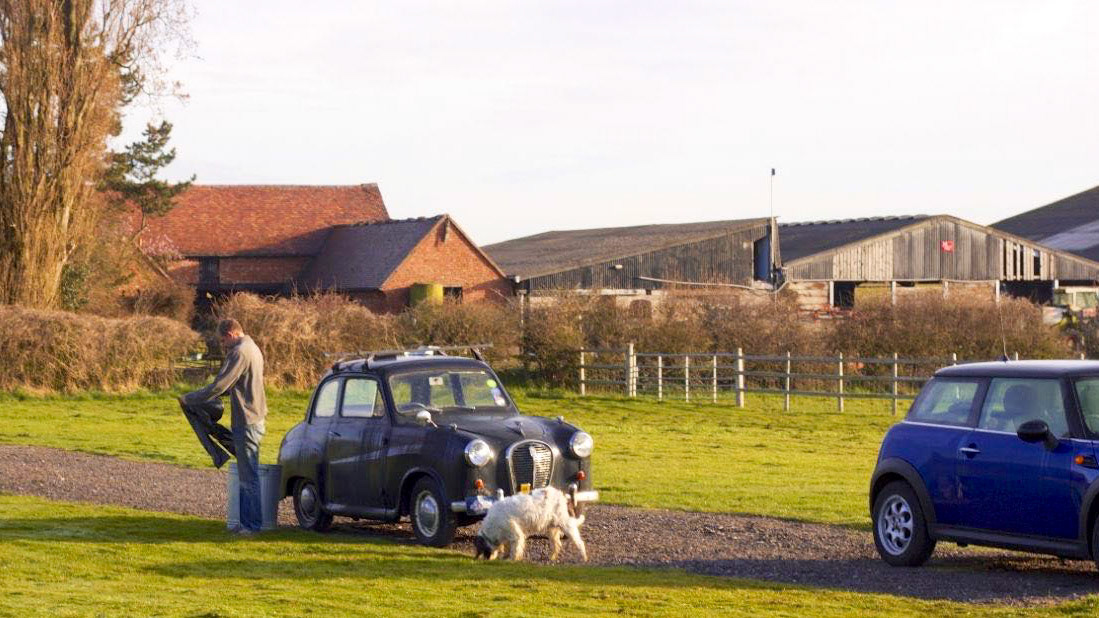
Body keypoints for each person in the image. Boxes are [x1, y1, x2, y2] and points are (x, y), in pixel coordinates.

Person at [179, 318, 268, 534]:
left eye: (223, 341)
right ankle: (245, 524)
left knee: (248, 477)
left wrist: (190, 398)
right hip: (254, 417)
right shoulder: (252, 347)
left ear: (230, 334)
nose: (223, 345)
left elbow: (220, 385)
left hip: (247, 420)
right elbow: (233, 385)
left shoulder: (239, 352)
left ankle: (252, 527)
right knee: (247, 474)